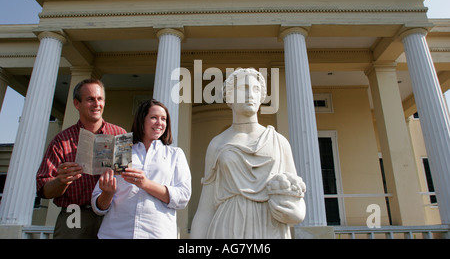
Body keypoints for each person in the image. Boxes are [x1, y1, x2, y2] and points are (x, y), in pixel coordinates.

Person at [190, 68, 306, 239]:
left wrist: (298, 213)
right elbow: (205, 209)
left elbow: (295, 193)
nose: (250, 94)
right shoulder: (218, 143)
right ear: (229, 96)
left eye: (256, 89)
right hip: (228, 226)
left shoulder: (278, 141)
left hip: (271, 227)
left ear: (261, 98)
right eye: (243, 88)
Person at [36, 79, 127, 239]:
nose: (96, 104)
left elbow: (127, 178)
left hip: (112, 214)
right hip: (75, 213)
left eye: (100, 99)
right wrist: (62, 181)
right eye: (90, 99)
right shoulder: (61, 140)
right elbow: (44, 190)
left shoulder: (120, 134)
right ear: (77, 104)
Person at [91, 99, 191, 239]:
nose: (159, 123)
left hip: (157, 234)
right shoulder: (121, 150)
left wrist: (145, 184)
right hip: (115, 233)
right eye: (154, 117)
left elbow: (183, 197)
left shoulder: (174, 154)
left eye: (164, 119)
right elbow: (98, 206)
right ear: (141, 120)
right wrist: (107, 193)